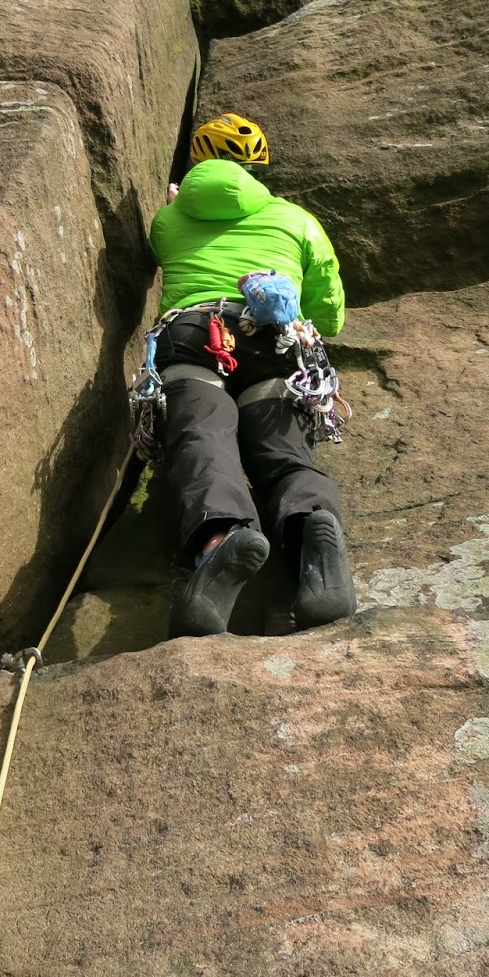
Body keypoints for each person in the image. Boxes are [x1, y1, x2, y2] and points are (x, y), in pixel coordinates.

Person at [147, 113, 357, 638]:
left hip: (194, 335)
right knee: (284, 455)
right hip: (275, 340)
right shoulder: (295, 218)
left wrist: (177, 206)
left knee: (202, 436)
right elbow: (329, 312)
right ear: (257, 170)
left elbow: (165, 246)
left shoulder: (167, 220)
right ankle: (311, 531)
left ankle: (220, 542)